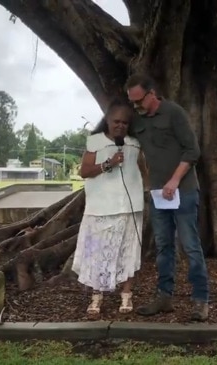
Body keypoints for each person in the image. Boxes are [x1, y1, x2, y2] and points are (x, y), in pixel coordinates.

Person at [125, 73, 210, 321]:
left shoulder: (174, 113)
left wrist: (174, 180)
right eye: (132, 102)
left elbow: (192, 150)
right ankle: (164, 297)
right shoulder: (137, 120)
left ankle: (200, 300)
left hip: (183, 192)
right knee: (163, 246)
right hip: (158, 196)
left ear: (152, 94)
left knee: (191, 246)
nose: (136, 106)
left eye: (139, 101)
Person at [73, 99, 147, 316]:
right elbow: (84, 171)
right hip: (100, 208)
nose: (120, 126)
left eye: (125, 122)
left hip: (129, 207)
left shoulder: (134, 143)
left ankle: (126, 295)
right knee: (98, 252)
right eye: (116, 121)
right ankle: (96, 297)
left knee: (128, 252)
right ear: (107, 120)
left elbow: (142, 170)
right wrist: (109, 164)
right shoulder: (95, 141)